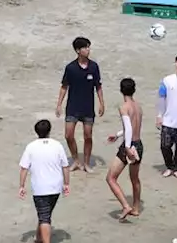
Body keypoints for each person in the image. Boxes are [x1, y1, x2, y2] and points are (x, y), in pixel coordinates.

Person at [56, 37, 105, 172]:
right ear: (78, 50)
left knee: (88, 136)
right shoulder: (70, 68)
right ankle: (76, 160)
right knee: (68, 135)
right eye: (85, 47)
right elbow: (64, 87)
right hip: (73, 107)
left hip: (88, 107)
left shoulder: (94, 66)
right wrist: (59, 104)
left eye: (88, 47)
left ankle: (87, 163)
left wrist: (101, 103)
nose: (88, 50)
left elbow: (98, 86)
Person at [19, 119, 71, 243]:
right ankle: (39, 239)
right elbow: (65, 166)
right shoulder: (57, 145)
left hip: (40, 188)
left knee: (44, 217)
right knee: (44, 214)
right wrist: (66, 183)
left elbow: (24, 168)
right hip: (55, 187)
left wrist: (21, 186)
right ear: (49, 130)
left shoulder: (31, 147)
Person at [106, 78, 143, 222]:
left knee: (110, 178)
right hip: (139, 144)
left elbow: (128, 128)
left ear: (121, 90)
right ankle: (136, 207)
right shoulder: (138, 107)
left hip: (129, 146)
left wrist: (127, 147)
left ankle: (125, 205)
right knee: (135, 179)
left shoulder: (124, 107)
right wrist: (117, 135)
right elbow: (133, 128)